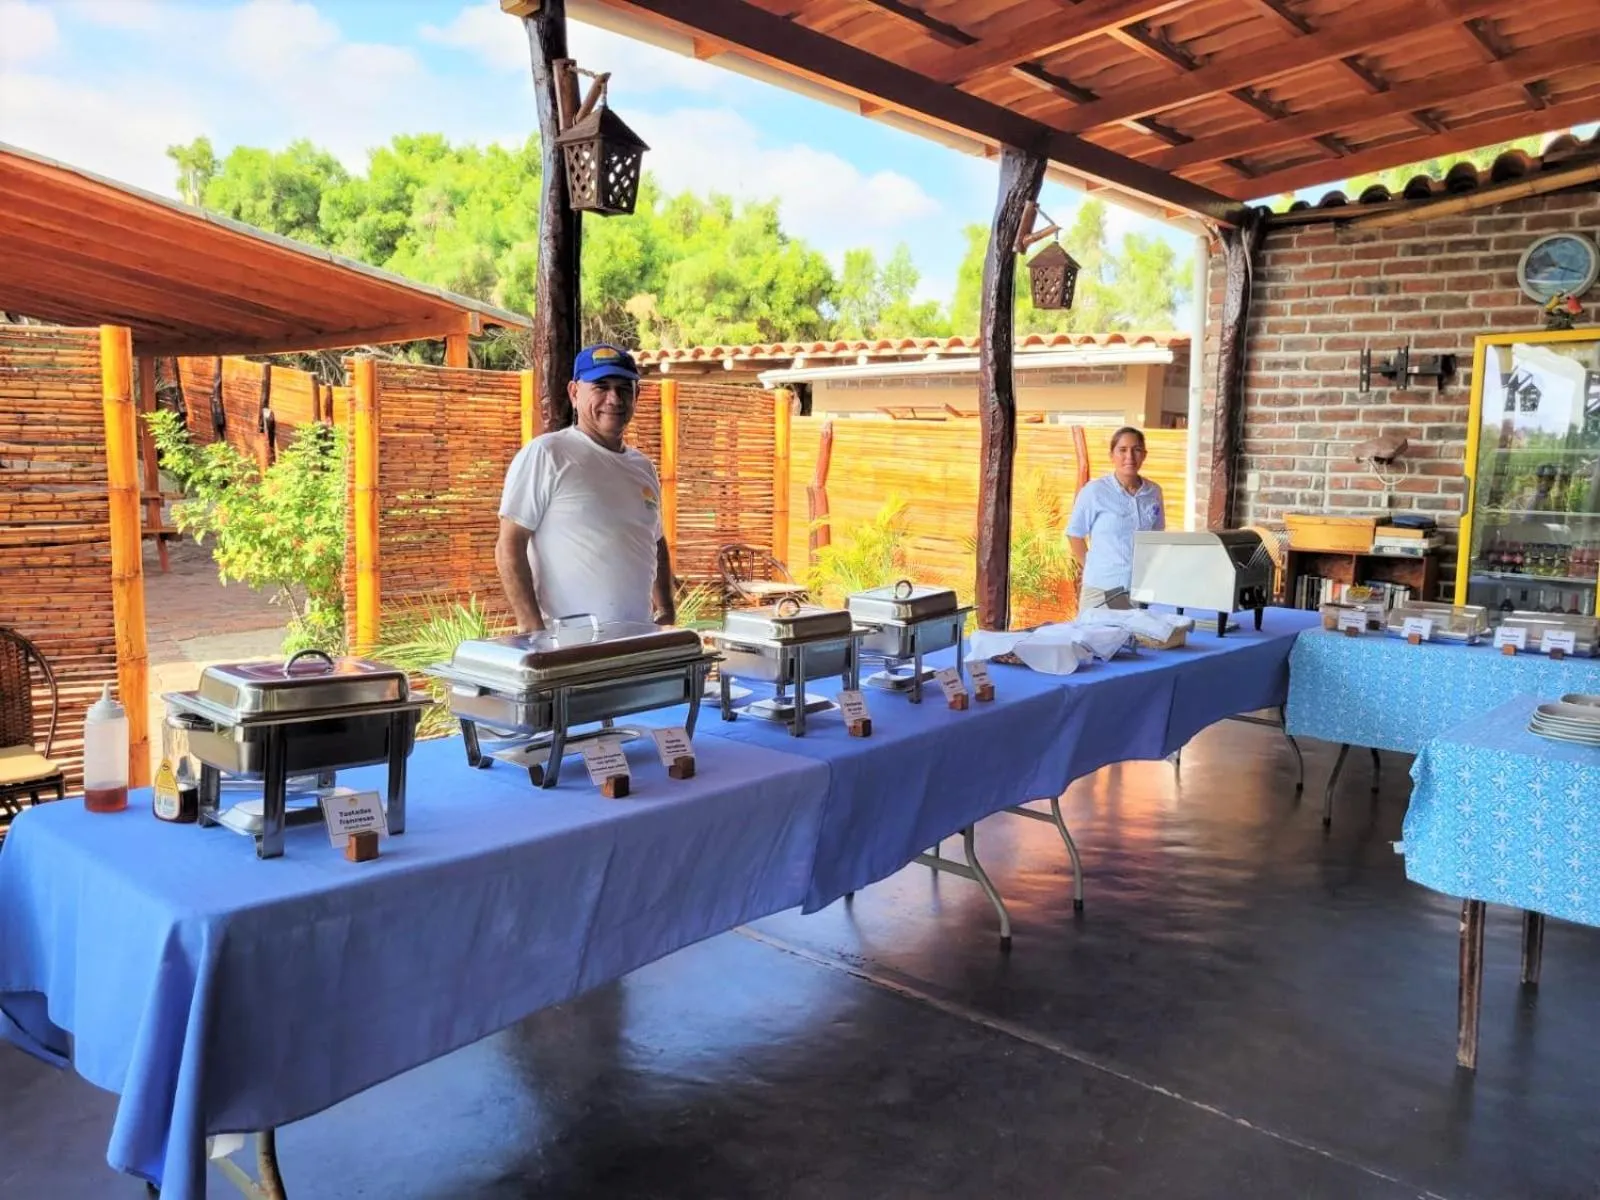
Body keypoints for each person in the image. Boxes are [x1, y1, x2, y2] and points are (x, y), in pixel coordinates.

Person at [496, 344, 675, 633]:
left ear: (636, 395)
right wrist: (532, 629)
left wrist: (666, 611)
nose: (614, 399)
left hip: (638, 645)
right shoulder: (548, 454)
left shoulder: (642, 467)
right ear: (573, 392)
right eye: (601, 387)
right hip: (570, 650)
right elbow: (509, 544)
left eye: (624, 388)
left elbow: (655, 541)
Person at [1066, 426, 1166, 610]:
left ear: (1144, 454)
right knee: (1096, 638)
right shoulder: (1095, 491)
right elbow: (1075, 534)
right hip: (1101, 589)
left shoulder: (1154, 492)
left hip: (1140, 589)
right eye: (1122, 450)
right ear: (1112, 455)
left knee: (1136, 638)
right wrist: (1092, 568)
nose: (1130, 456)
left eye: (1136, 450)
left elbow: (1157, 537)